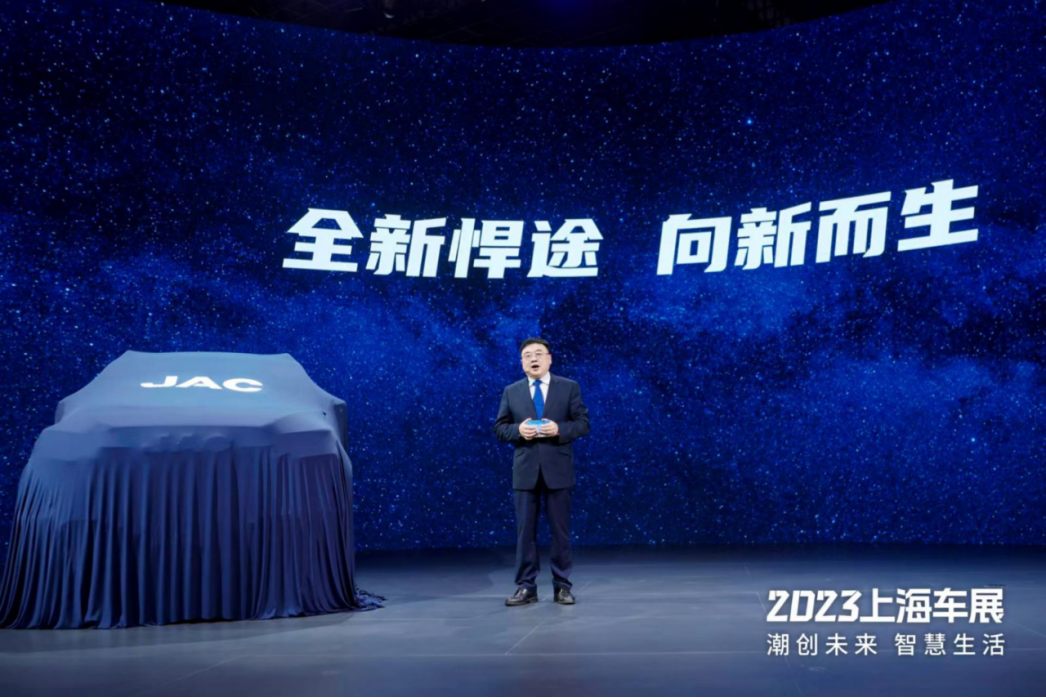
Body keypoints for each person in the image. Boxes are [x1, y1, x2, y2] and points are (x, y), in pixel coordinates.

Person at [494, 337, 590, 605]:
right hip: (525, 471)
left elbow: (582, 423)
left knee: (560, 532)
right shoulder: (511, 391)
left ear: (549, 359)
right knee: (525, 533)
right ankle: (526, 587)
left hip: (558, 469)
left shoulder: (569, 387)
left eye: (538, 353)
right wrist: (518, 430)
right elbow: (500, 428)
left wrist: (559, 429)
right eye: (527, 355)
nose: (533, 358)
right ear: (521, 363)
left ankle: (562, 586)